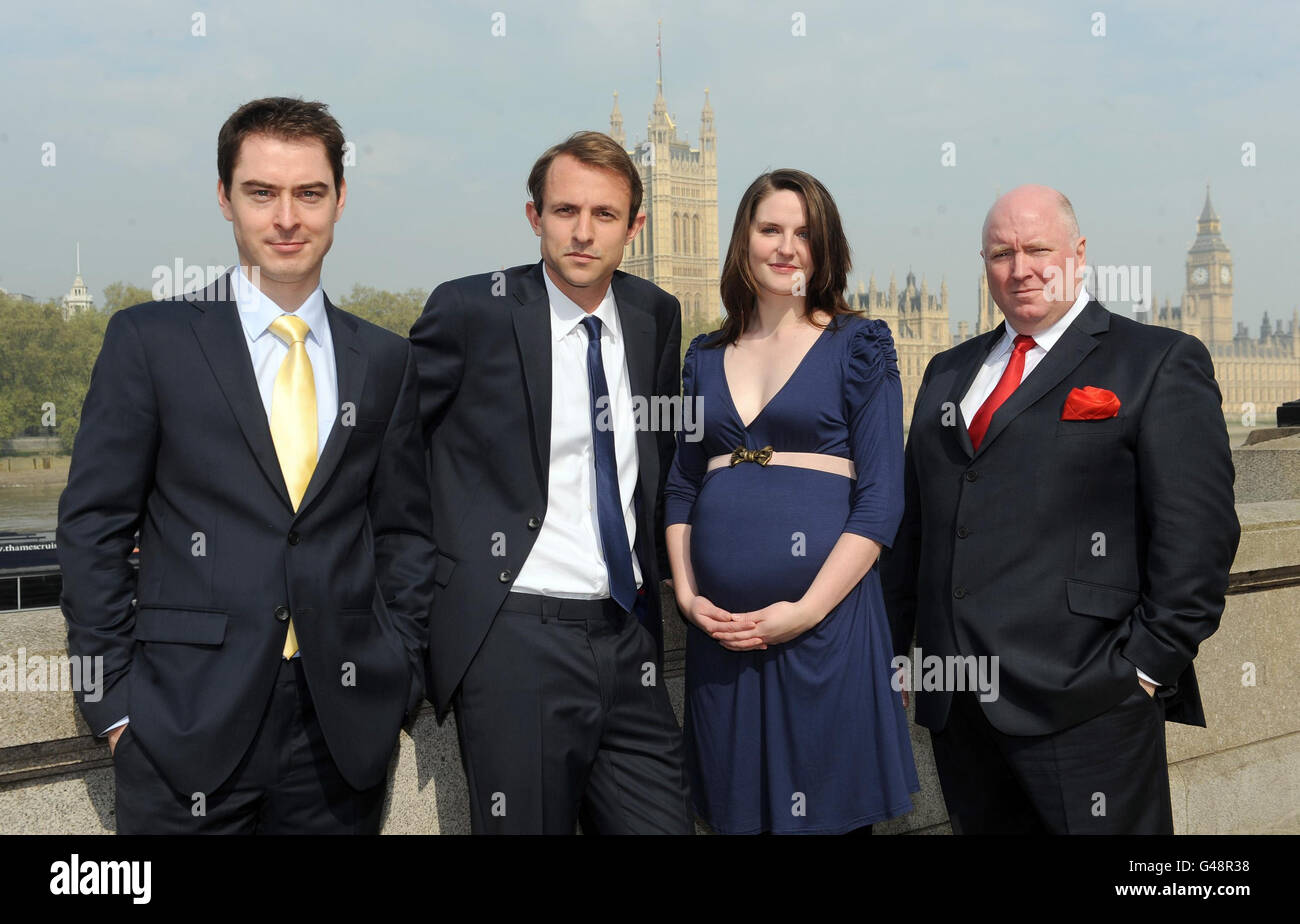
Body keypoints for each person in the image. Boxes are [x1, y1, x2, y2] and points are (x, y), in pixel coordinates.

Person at [57, 97, 433, 834]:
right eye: (262, 192)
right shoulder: (150, 341)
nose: (286, 217)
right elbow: (95, 527)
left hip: (341, 730)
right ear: (225, 198)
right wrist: (116, 709)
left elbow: (404, 532)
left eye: (309, 193)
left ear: (340, 199)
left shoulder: (385, 359)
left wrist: (399, 672)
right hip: (181, 727)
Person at [881, 184, 1240, 834]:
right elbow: (915, 531)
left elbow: (1200, 536)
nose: (1021, 268)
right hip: (960, 708)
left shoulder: (1154, 361)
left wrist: (1144, 670)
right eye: (1001, 253)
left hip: (1091, 704)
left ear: (1078, 254)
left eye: (1038, 248)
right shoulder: (945, 371)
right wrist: (895, 652)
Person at [409, 131, 693, 834]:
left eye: (604, 214)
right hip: (515, 638)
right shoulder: (472, 310)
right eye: (565, 210)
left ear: (635, 227)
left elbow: (650, 460)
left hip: (629, 636)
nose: (583, 232)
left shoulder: (654, 315)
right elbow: (390, 446)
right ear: (535, 217)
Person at [663, 169, 919, 834]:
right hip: (722, 638)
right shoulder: (703, 355)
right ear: (743, 239)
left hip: (825, 629)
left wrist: (805, 610)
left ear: (824, 247)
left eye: (803, 233)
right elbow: (683, 485)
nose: (785, 246)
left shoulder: (858, 344)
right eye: (770, 228)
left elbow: (880, 501)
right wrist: (690, 599)